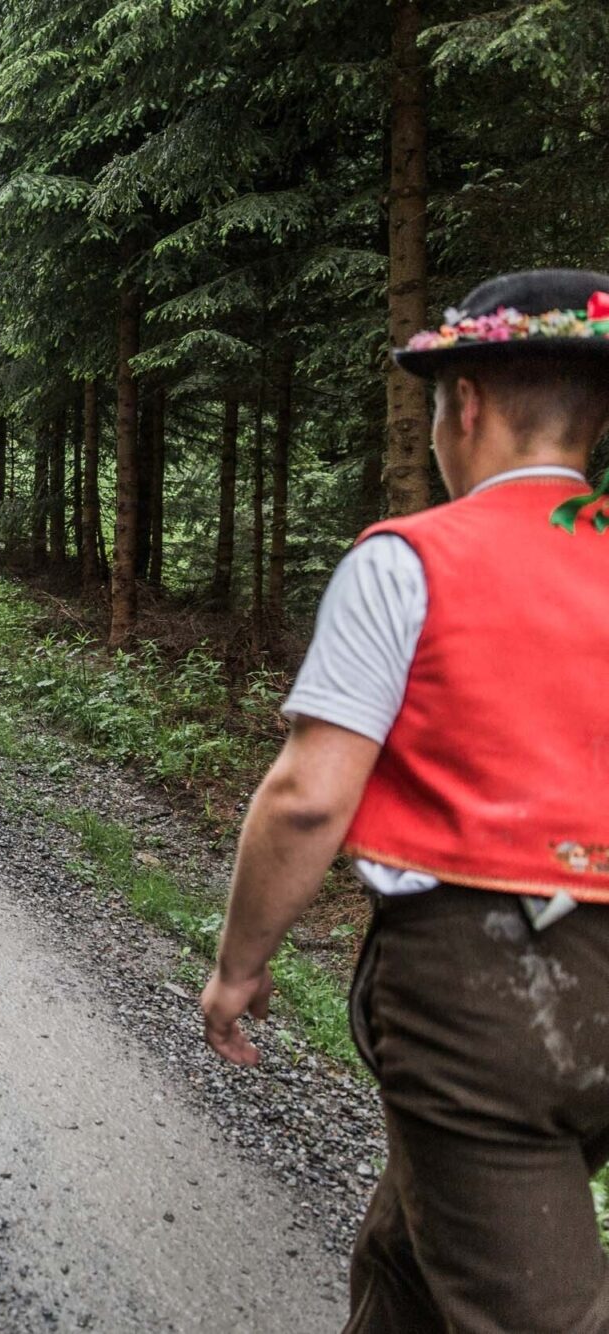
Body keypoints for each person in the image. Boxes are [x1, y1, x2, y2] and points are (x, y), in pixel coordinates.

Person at [197, 268, 609, 1333]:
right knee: (419, 1247)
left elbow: (306, 798)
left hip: (484, 997)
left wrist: (239, 965)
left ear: (463, 405)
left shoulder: (408, 562)